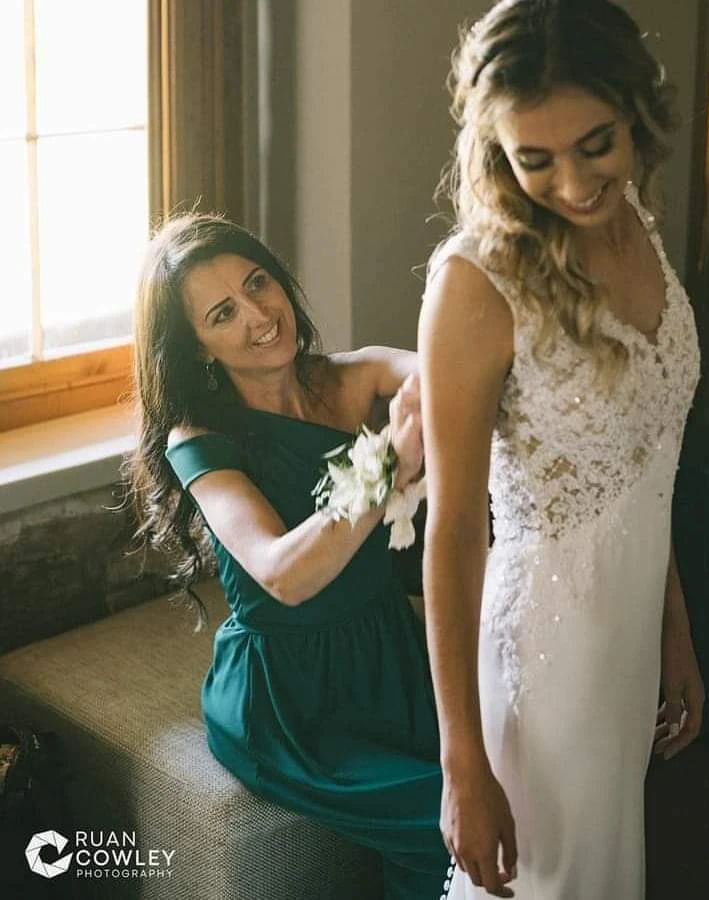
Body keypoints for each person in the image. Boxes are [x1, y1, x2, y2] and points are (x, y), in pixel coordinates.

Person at [418, 2, 704, 898]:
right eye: (533, 158)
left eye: (596, 145)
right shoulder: (476, 284)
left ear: (635, 113)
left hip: (627, 648)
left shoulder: (638, 224)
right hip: (544, 667)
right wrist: (462, 762)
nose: (575, 183)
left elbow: (643, 462)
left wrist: (675, 629)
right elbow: (452, 533)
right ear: (494, 147)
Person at [126, 213, 449, 900]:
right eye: (222, 313)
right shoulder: (200, 439)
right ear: (198, 349)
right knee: (447, 820)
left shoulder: (354, 376)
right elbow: (283, 573)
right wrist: (387, 463)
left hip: (391, 652)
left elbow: (451, 371)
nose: (258, 315)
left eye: (256, 284)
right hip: (289, 698)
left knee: (511, 784)